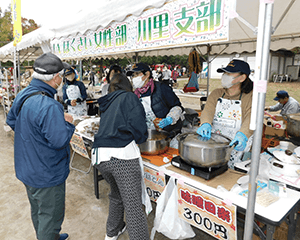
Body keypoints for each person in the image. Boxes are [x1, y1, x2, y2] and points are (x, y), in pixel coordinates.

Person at [6, 52, 75, 240]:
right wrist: (67, 123)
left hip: (27, 167)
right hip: (46, 172)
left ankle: (49, 235)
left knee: (38, 210)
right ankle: (48, 236)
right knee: (50, 215)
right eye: (61, 75)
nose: (62, 78)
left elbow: (12, 121)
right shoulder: (49, 105)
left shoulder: (24, 94)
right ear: (55, 78)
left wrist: (34, 132)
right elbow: (59, 141)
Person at [92, 73, 150, 240]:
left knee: (116, 195)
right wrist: (141, 138)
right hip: (121, 157)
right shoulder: (130, 98)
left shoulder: (107, 101)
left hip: (101, 157)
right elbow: (138, 126)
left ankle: (112, 232)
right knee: (133, 207)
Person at [197, 59, 254, 169]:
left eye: (229, 73)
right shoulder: (216, 93)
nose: (224, 76)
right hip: (215, 144)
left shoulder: (251, 96)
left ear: (242, 77)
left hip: (237, 145)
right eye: (224, 73)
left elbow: (251, 117)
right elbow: (208, 110)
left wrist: (243, 134)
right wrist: (205, 123)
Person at [126, 63, 184, 135]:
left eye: (136, 74)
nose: (133, 78)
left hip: (168, 133)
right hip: (148, 134)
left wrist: (169, 119)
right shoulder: (136, 94)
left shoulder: (162, 88)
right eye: (133, 75)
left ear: (147, 74)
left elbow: (178, 107)